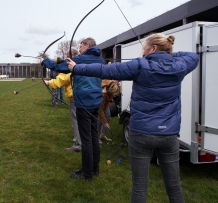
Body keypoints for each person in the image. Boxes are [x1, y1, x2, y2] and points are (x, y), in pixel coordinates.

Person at [67, 33, 199, 202]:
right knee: (174, 187)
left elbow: (105, 70)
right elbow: (193, 56)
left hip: (141, 134)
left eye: (144, 48)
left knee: (139, 187)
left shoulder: (140, 65)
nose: (142, 52)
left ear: (153, 48)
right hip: (169, 135)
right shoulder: (179, 65)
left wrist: (77, 68)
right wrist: (168, 55)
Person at [40, 37, 104, 181]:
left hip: (84, 103)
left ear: (87, 46)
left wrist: (44, 61)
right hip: (96, 102)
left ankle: (86, 173)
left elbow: (59, 66)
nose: (79, 48)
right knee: (94, 137)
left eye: (81, 46)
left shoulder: (80, 60)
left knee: (86, 140)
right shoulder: (100, 60)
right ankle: (95, 169)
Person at [43, 47, 81, 152]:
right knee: (83, 121)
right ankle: (86, 143)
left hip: (75, 98)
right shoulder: (79, 62)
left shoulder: (72, 65)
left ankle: (78, 145)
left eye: (67, 54)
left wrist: (49, 82)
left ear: (73, 54)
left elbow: (64, 79)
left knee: (76, 122)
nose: (66, 57)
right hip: (82, 97)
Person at [97, 80, 121, 144]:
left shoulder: (110, 86)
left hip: (106, 104)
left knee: (108, 115)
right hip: (99, 106)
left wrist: (110, 98)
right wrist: (105, 123)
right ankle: (96, 137)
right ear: (111, 91)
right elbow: (100, 111)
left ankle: (102, 134)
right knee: (99, 120)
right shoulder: (103, 95)